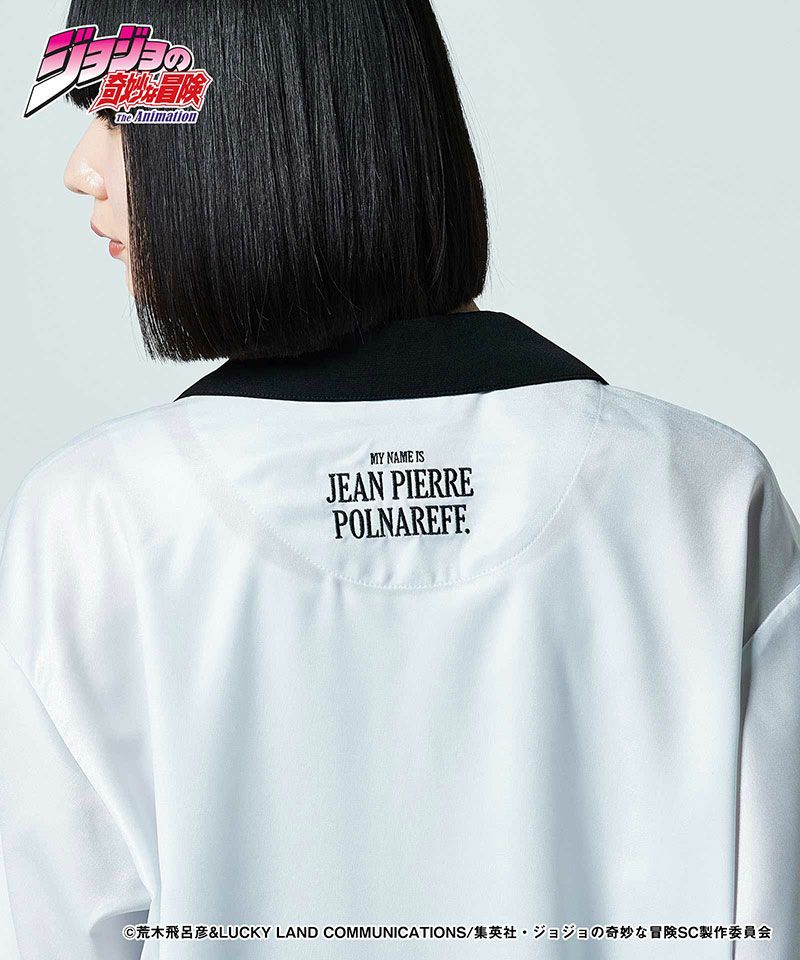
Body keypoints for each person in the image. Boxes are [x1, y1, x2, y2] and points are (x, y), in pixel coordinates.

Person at [1, 2, 798, 958]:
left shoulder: (100, 521)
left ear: (248, 124)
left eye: (116, 111)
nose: (80, 167)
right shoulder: (702, 494)